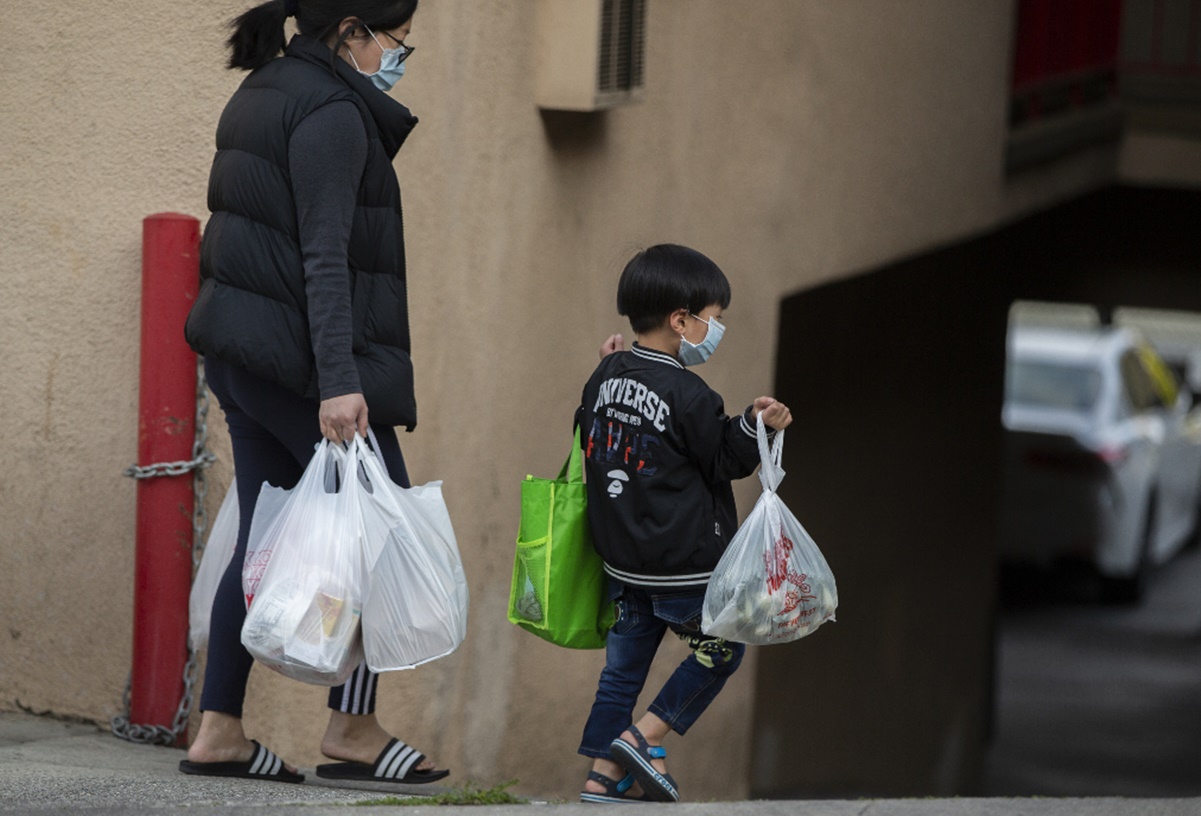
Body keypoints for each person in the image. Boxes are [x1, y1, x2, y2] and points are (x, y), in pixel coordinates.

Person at [179, 0, 446, 786]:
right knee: (380, 529)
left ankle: (220, 729)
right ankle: (354, 729)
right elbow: (323, 258)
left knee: (264, 532)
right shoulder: (331, 113)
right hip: (302, 369)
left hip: (243, 355)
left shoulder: (266, 86)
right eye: (398, 41)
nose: (401, 56)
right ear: (352, 31)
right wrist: (339, 385)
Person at [574, 244, 792, 803]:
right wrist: (754, 424)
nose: (715, 330)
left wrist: (608, 364)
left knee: (622, 671)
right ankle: (642, 738)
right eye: (713, 320)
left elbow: (588, 427)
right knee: (723, 649)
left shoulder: (604, 374)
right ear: (681, 321)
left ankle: (602, 778)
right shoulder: (691, 393)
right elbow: (725, 458)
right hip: (681, 571)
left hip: (621, 563)